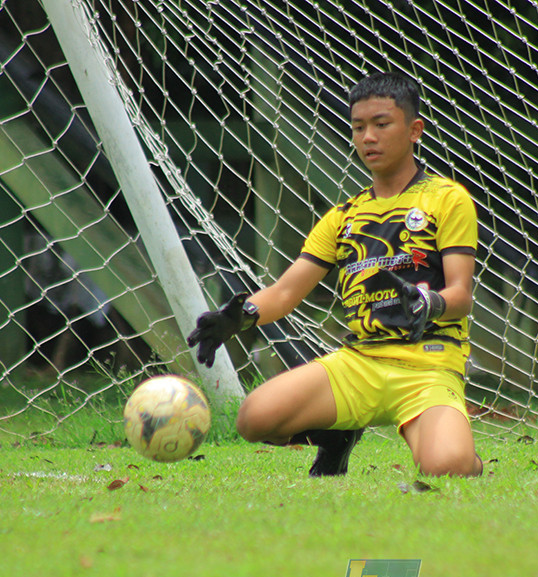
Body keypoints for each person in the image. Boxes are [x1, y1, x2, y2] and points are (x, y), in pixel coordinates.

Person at [188, 71, 482, 478]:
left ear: (415, 130)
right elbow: (287, 292)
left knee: (446, 467)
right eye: (358, 127)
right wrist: (240, 316)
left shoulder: (447, 199)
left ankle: (464, 454)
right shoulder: (343, 217)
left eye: (382, 124)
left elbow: (461, 293)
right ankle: (336, 436)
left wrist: (428, 303)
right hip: (358, 364)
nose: (368, 138)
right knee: (253, 419)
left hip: (427, 366)